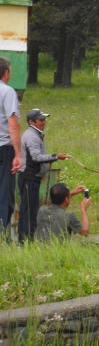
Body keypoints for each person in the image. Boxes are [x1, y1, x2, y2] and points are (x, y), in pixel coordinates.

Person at [18, 109, 69, 241]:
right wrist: (55, 156)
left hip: (32, 177)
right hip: (29, 177)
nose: (44, 122)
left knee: (32, 209)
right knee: (28, 211)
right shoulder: (31, 136)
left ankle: (28, 239)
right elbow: (35, 157)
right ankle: (25, 241)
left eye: (44, 119)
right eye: (41, 120)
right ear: (31, 122)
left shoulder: (35, 134)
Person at [0, 57, 22, 233]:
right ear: (6, 73)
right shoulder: (7, 92)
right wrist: (18, 154)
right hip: (4, 148)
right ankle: (2, 229)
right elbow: (12, 122)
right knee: (5, 191)